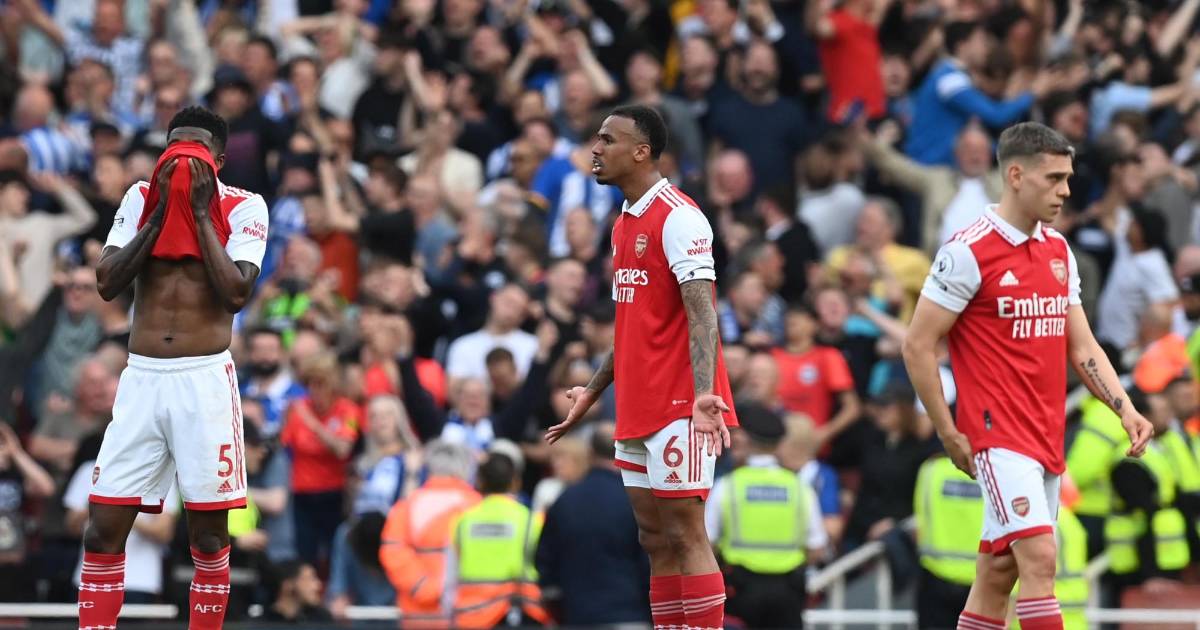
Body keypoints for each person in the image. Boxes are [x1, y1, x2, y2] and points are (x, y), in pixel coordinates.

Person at [902, 122, 1153, 630]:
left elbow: (1082, 347)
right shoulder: (967, 251)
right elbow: (917, 344)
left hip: (1046, 434)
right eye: (1054, 178)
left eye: (1068, 178)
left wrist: (1125, 408)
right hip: (998, 437)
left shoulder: (1058, 251)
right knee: (1040, 559)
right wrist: (948, 430)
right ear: (1015, 176)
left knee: (998, 575)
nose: (1066, 191)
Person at [545, 104, 739, 630]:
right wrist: (592, 389)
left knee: (686, 532)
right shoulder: (622, 224)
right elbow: (632, 325)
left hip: (681, 402)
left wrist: (704, 395)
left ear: (641, 152)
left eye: (608, 140)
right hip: (636, 402)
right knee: (653, 537)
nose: (596, 149)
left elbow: (703, 312)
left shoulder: (680, 217)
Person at [85, 105, 268, 630]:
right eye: (174, 147)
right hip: (141, 377)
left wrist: (201, 213)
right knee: (101, 530)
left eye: (195, 150)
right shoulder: (140, 197)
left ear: (218, 160)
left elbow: (236, 292)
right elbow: (107, 282)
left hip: (203, 379)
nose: (182, 160)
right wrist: (161, 214)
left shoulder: (245, 205)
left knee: (208, 538)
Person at [706, 403, 826, 629]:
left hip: (740, 589)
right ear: (779, 444)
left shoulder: (728, 486)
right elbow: (817, 547)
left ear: (746, 440)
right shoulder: (799, 487)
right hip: (787, 591)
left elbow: (707, 543)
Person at [536, 422, 651, 626]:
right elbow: (651, 559)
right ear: (625, 453)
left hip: (579, 615)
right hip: (630, 614)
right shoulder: (637, 501)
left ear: (590, 453)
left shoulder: (565, 501)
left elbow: (545, 561)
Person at [379, 440, 481, 628]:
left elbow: (393, 551)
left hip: (418, 615)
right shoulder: (477, 506)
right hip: (469, 612)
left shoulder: (408, 505)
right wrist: (449, 590)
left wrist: (424, 587)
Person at [447, 452, 551, 628]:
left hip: (472, 616)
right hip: (519, 613)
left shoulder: (462, 522)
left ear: (480, 482)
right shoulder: (532, 521)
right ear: (515, 481)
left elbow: (449, 575)